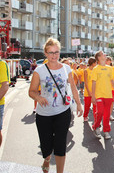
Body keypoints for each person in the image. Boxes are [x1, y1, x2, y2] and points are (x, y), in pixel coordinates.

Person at [28, 38, 83, 173]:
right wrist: (38, 97)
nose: (54, 55)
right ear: (45, 53)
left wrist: (79, 104)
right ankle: (46, 159)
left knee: (60, 145)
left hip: (62, 112)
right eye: (51, 52)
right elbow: (31, 91)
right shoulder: (39, 71)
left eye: (56, 52)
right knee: (46, 146)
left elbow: (73, 87)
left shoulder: (66, 68)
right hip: (44, 115)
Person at [91, 51, 114, 140]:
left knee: (107, 114)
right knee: (100, 111)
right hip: (99, 94)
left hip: (108, 94)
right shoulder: (95, 69)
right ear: (98, 57)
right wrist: (93, 95)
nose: (105, 54)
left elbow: (112, 81)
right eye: (103, 54)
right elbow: (93, 83)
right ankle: (96, 126)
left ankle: (106, 131)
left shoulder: (110, 68)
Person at [83, 57, 97, 122]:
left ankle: (96, 119)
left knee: (95, 106)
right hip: (87, 91)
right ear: (93, 63)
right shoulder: (86, 70)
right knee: (87, 106)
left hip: (95, 92)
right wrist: (89, 91)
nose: (96, 64)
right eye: (95, 62)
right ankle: (85, 116)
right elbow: (85, 82)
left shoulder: (96, 71)